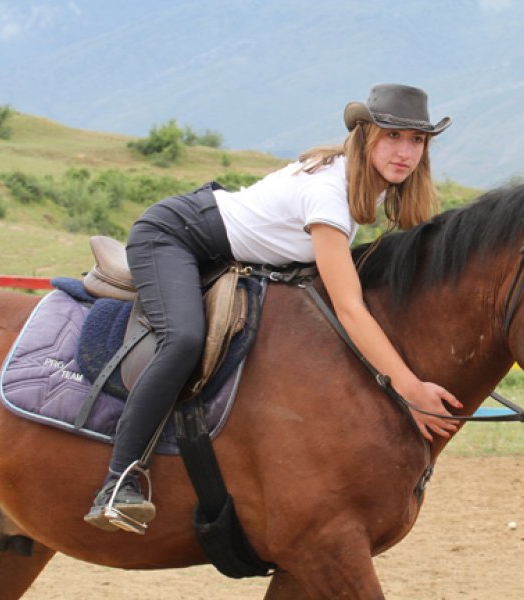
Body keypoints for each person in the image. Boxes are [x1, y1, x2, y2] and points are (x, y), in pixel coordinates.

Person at [84, 83, 462, 532]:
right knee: (183, 339)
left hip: (223, 247)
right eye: (392, 136)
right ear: (366, 136)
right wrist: (408, 387)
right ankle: (119, 480)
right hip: (173, 236)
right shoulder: (328, 193)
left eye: (416, 140)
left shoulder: (370, 182)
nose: (405, 151)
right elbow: (350, 308)